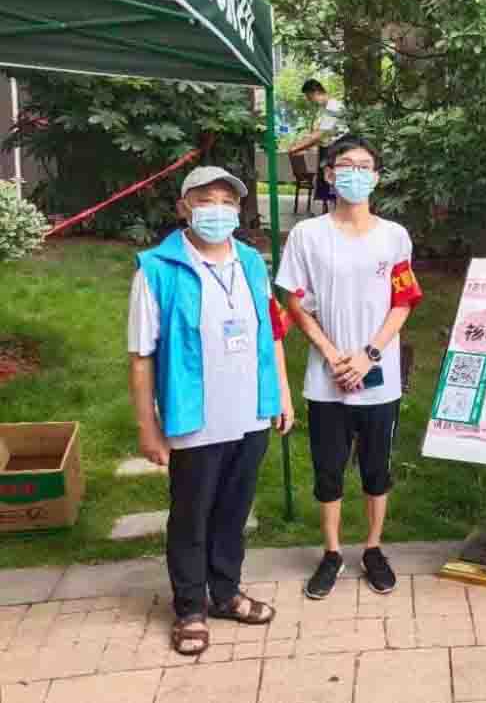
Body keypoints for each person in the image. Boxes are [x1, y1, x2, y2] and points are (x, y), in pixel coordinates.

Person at [128, 166, 295, 657]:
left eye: (227, 201)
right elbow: (141, 357)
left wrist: (281, 394)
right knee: (191, 516)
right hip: (195, 419)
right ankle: (189, 609)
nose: (217, 210)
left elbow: (271, 334)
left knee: (234, 511)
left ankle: (225, 593)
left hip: (250, 413)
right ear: (184, 207)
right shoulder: (157, 269)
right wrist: (148, 427)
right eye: (205, 199)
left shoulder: (252, 262)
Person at [276, 134, 423, 600]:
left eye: (364, 166)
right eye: (345, 165)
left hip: (379, 377)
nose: (354, 174)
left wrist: (369, 355)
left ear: (376, 178)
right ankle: (332, 552)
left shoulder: (394, 237)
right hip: (327, 378)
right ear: (329, 174)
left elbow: (403, 301)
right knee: (328, 470)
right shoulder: (308, 235)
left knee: (377, 468)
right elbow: (293, 299)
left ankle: (374, 549)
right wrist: (330, 352)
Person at [288, 79, 348, 210]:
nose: (310, 101)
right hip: (327, 150)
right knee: (328, 190)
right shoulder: (324, 109)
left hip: (336, 151)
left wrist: (296, 147)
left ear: (315, 92)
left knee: (334, 189)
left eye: (309, 97)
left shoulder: (333, 107)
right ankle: (330, 215)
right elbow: (318, 136)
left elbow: (319, 134)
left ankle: (337, 215)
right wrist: (302, 147)